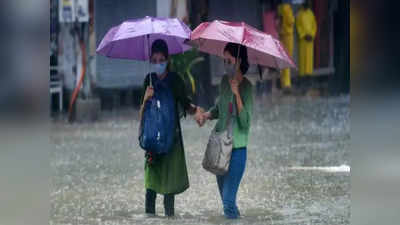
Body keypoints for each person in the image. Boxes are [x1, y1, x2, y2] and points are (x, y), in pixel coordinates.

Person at [140, 39, 204, 217]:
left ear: (167, 60)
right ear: (151, 61)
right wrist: (145, 99)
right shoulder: (148, 80)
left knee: (169, 194)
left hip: (171, 142)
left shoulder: (175, 80)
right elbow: (141, 116)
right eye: (155, 60)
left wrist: (197, 112)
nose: (158, 63)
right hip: (152, 142)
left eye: (162, 60)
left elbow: (185, 104)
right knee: (150, 190)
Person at [197, 43, 253, 219]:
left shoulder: (247, 87)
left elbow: (245, 123)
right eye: (224, 60)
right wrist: (207, 115)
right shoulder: (223, 82)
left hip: (237, 150)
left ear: (239, 61)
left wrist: (237, 94)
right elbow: (220, 108)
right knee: (226, 202)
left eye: (229, 60)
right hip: (220, 147)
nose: (226, 64)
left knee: (228, 201)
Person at [296, 0, 317, 76]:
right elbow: (298, 26)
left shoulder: (311, 13)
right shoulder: (299, 14)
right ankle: (302, 76)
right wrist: (304, 35)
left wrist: (312, 35)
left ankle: (309, 76)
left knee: (309, 58)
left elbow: (314, 25)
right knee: (303, 58)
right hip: (303, 40)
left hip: (310, 40)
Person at [278, 0, 295, 91]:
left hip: (282, 34)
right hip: (287, 35)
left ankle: (282, 81)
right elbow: (290, 21)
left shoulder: (280, 8)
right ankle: (287, 83)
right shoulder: (287, 8)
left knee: (282, 58)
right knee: (288, 58)